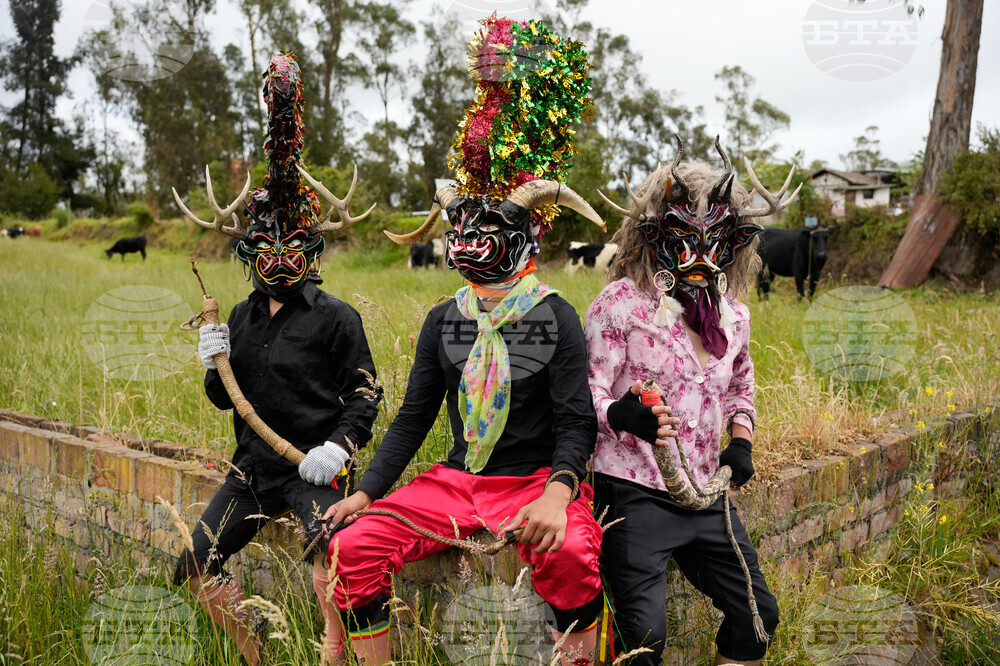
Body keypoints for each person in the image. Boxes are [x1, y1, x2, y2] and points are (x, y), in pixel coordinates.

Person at [322, 16, 609, 665]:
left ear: (525, 241)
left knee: (567, 550)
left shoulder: (556, 316)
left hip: (535, 479)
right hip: (458, 482)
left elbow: (576, 420)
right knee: (353, 543)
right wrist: (368, 490)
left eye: (490, 231)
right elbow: (412, 418)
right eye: (462, 231)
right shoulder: (442, 320)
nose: (471, 242)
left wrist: (560, 494)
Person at [170, 51, 380, 664]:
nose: (280, 258)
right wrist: (213, 363)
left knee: (333, 557)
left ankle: (331, 655)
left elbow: (367, 393)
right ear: (250, 251)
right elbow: (222, 399)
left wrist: (338, 448)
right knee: (194, 563)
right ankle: (255, 649)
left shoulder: (338, 316)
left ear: (312, 250)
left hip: (310, 468)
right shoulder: (238, 315)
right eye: (268, 246)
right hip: (251, 469)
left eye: (294, 246)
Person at [586, 137, 788, 665]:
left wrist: (740, 442)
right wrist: (619, 414)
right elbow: (585, 392)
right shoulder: (620, 303)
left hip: (705, 494)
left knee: (758, 618)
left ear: (734, 241)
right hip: (632, 491)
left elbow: (742, 385)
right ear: (655, 233)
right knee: (642, 642)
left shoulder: (734, 315)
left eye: (715, 237)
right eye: (683, 234)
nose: (699, 250)